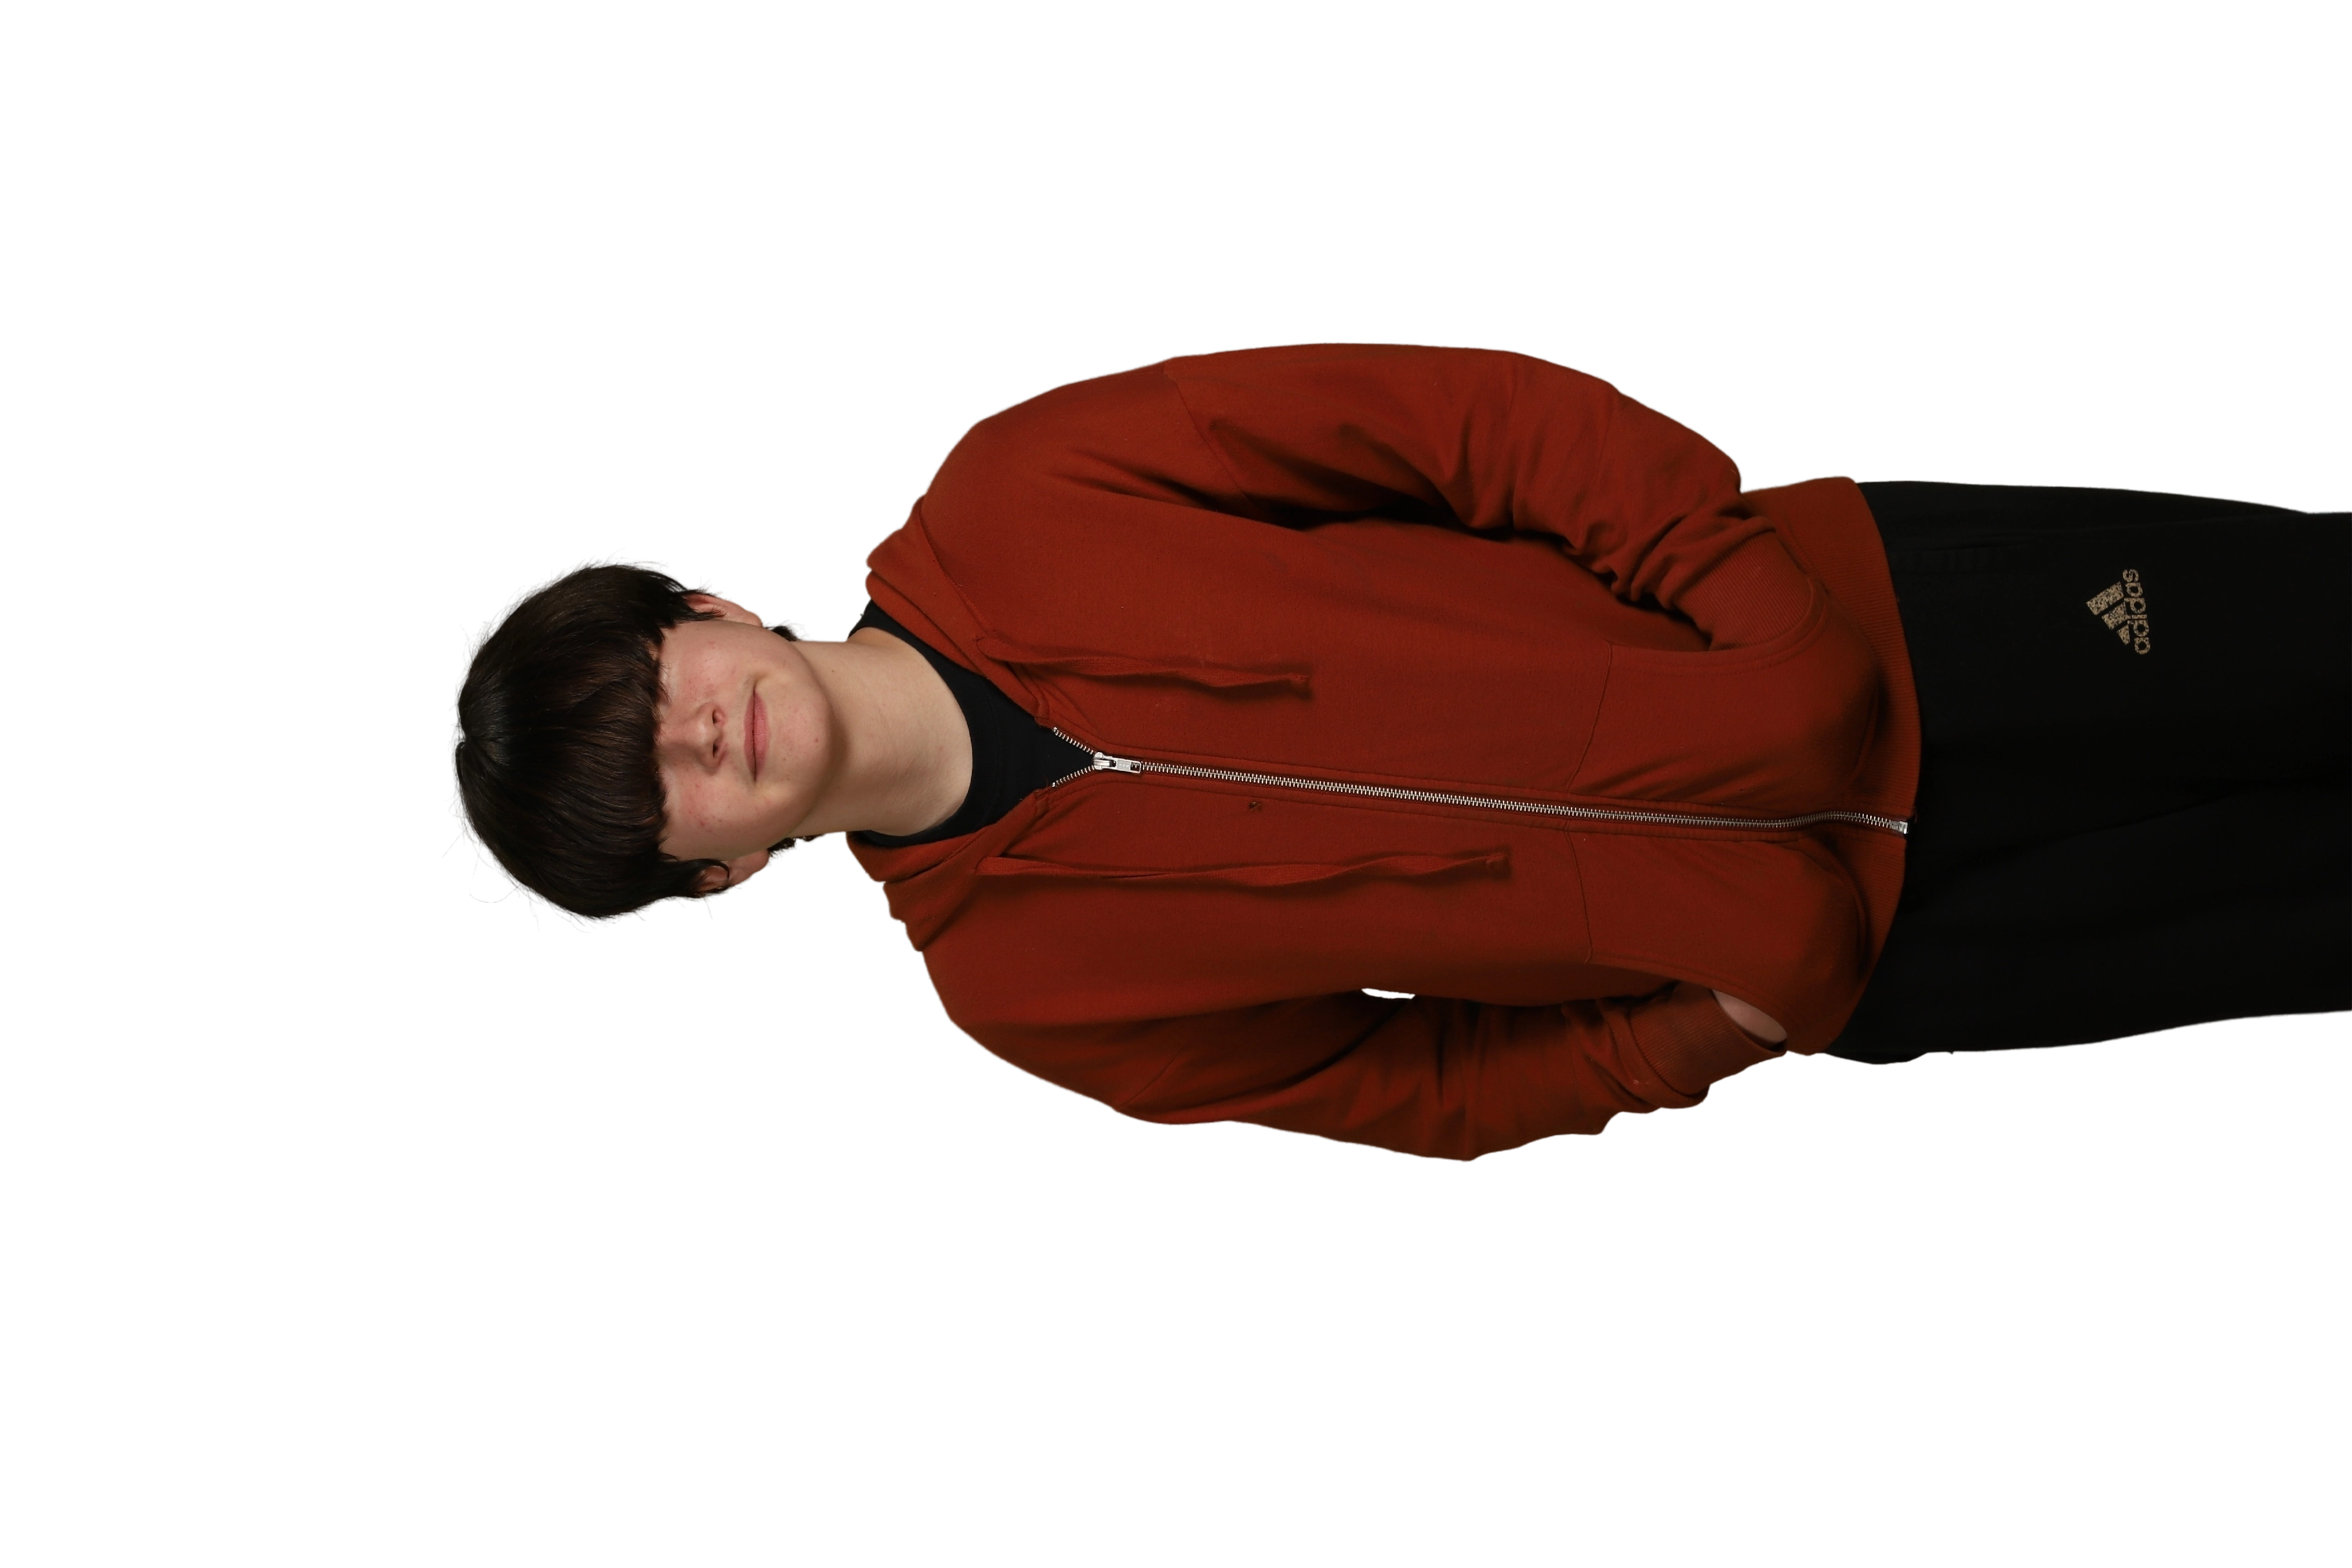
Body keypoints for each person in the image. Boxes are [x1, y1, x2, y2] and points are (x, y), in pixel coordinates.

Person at [446, 339, 2349, 1163]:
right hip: (1912, 945)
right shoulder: (1031, 1002)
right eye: (652, 788)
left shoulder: (1021, 483)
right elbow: (1418, 1090)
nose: (692, 733)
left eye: (648, 681)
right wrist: (1713, 1032)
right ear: (720, 871)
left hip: (1900, 614)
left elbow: (1457, 428)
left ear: (704, 604)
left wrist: (1749, 606)